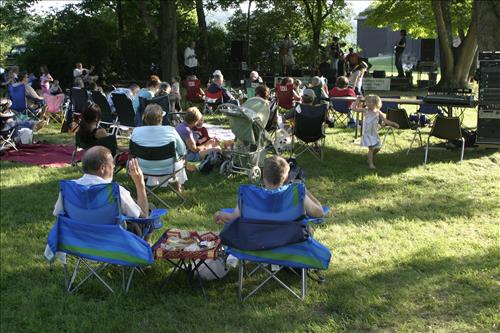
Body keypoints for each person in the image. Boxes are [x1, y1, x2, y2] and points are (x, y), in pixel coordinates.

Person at [53, 146, 152, 239]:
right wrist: (140, 184)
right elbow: (144, 217)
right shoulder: (115, 191)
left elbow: (58, 214)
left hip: (79, 240)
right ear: (102, 168)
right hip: (113, 242)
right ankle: (145, 252)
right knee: (150, 209)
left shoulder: (69, 189)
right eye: (112, 165)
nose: (113, 167)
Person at [213, 155, 324, 224]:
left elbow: (233, 217)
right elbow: (319, 213)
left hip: (257, 243)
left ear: (263, 175)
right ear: (285, 178)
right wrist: (305, 190)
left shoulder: (249, 195)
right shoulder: (296, 193)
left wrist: (219, 214)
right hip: (289, 241)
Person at [131, 104, 188, 192]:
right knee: (179, 160)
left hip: (143, 167)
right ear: (161, 118)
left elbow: (132, 152)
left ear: (145, 119)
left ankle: (144, 187)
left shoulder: (136, 131)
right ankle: (177, 187)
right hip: (168, 167)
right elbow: (182, 150)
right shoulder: (170, 130)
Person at [352, 95, 399, 169]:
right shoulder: (366, 110)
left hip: (374, 133)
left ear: (376, 103)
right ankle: (370, 164)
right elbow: (354, 108)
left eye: (370, 102)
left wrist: (393, 123)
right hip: (367, 133)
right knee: (371, 149)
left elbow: (385, 121)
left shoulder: (378, 112)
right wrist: (357, 100)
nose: (368, 103)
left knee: (378, 147)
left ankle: (370, 157)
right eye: (367, 102)